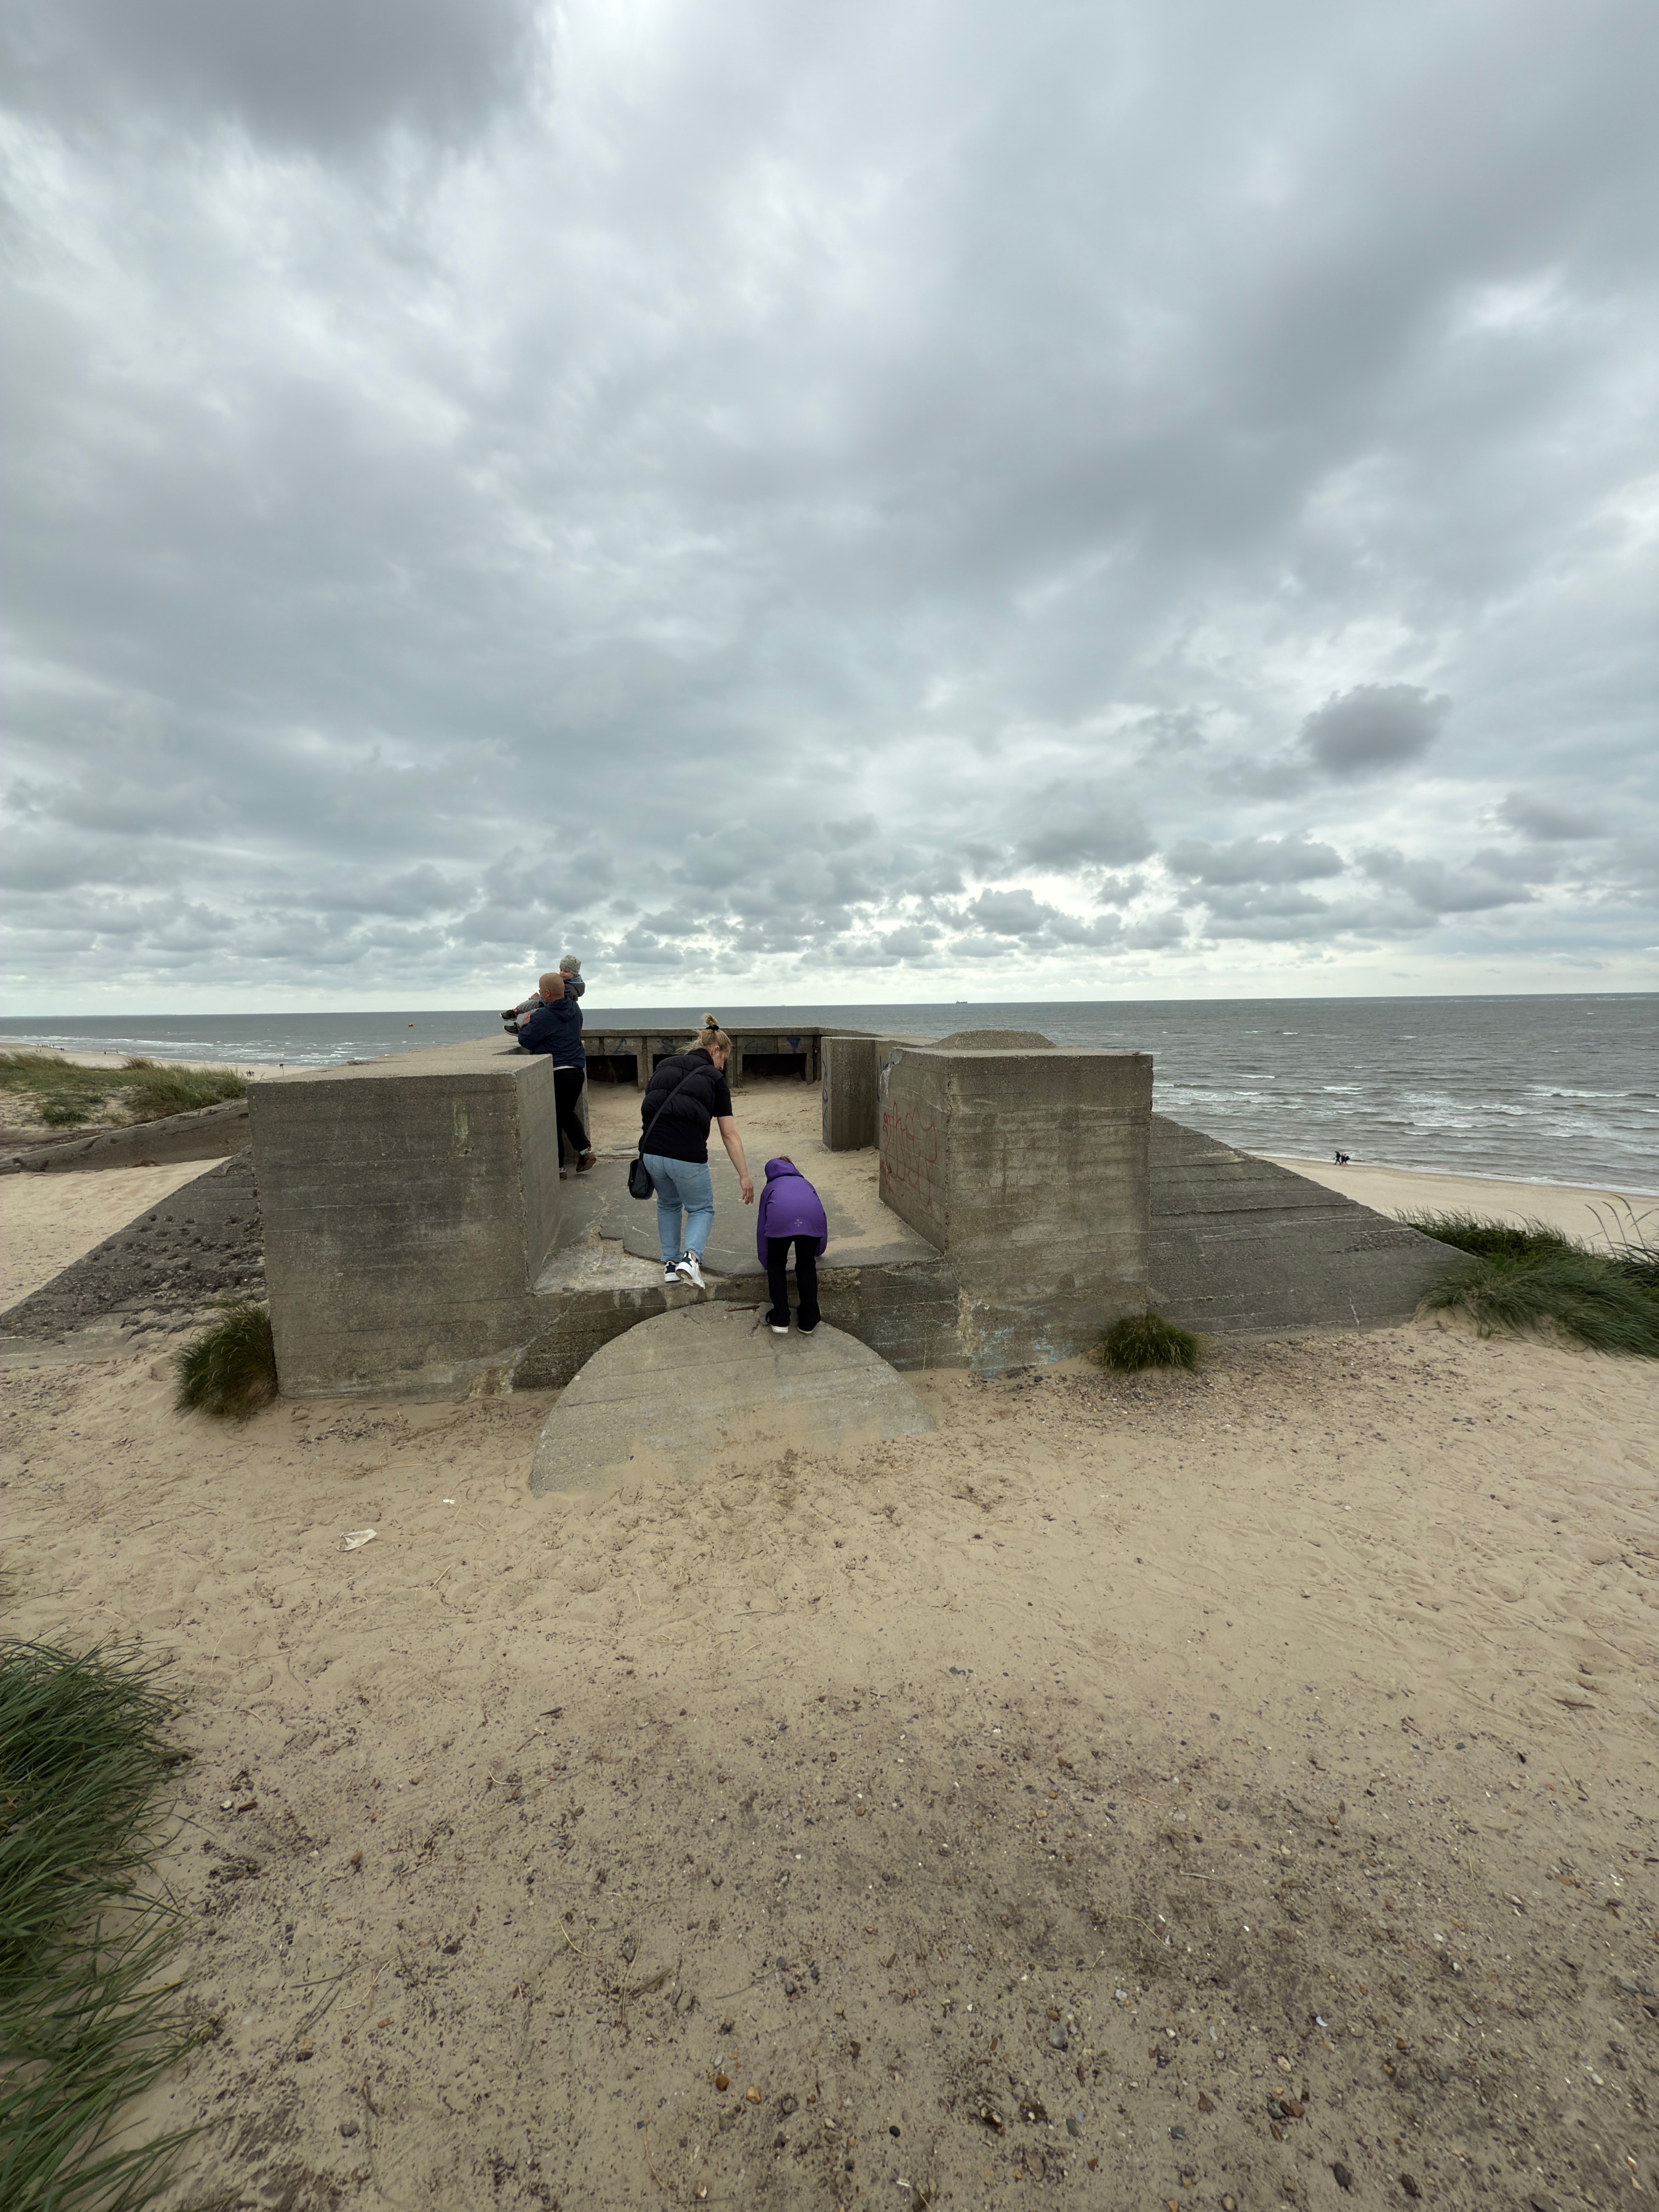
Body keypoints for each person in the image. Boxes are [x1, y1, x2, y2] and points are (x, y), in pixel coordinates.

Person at [639, 1015, 753, 1289]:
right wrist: (744, 1175)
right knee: (701, 1208)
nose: (722, 1067)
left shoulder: (664, 1065)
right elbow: (729, 1133)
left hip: (651, 1150)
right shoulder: (714, 1078)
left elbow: (651, 1104)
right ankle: (690, 1260)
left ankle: (670, 1264)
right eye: (723, 1060)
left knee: (668, 1203)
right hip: (686, 1154)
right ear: (715, 1051)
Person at [517, 969, 595, 1175]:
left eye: (542, 992)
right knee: (566, 1113)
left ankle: (559, 1168)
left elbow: (527, 1040)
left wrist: (524, 1025)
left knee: (555, 1119)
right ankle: (584, 1151)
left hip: (557, 1072)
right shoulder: (576, 1010)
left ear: (548, 994)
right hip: (577, 1071)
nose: (541, 995)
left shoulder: (544, 1015)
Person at [755, 1155, 827, 1335]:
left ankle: (780, 1318)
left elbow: (762, 1228)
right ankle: (809, 1319)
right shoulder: (808, 1185)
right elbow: (822, 1217)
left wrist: (766, 1261)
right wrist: (818, 1250)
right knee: (806, 1264)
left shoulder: (770, 1188)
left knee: (777, 1264)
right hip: (812, 1220)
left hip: (780, 1220)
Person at [502, 956, 584, 1035]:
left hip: (554, 1006)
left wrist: (545, 998)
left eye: (566, 971)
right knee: (531, 1003)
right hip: (547, 1001)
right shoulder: (564, 981)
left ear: (574, 974)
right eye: (561, 970)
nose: (562, 973)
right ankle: (515, 1012)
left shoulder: (571, 989)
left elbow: (560, 1001)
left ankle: (520, 1027)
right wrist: (543, 997)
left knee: (535, 1014)